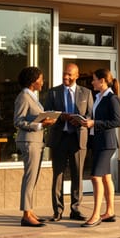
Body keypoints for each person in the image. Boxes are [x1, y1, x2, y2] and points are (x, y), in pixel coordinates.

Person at [44, 63, 93, 221]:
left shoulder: (86, 93)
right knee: (58, 175)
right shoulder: (53, 92)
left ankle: (75, 209)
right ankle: (57, 211)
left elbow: (91, 115)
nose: (66, 77)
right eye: (65, 73)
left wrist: (80, 121)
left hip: (77, 139)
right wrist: (61, 117)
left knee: (77, 174)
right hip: (59, 138)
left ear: (77, 75)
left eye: (70, 75)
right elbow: (47, 114)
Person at [13, 66, 55, 227]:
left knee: (33, 177)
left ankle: (29, 211)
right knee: (30, 177)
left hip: (36, 141)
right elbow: (18, 121)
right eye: (41, 79)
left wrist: (44, 122)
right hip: (29, 141)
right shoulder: (24, 96)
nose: (43, 82)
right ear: (33, 81)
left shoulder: (32, 96)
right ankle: (26, 215)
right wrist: (40, 125)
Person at [82, 68, 120, 227]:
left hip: (107, 143)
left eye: (94, 79)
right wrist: (88, 121)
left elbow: (117, 122)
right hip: (98, 142)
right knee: (105, 177)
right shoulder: (98, 97)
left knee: (95, 177)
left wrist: (94, 123)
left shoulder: (112, 99)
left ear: (102, 81)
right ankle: (110, 211)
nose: (92, 82)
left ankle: (96, 215)